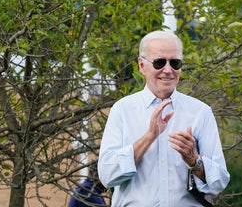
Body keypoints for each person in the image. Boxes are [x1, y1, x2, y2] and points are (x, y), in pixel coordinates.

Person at [98, 30, 230, 206]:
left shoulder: (200, 112)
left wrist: (194, 161)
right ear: (142, 65)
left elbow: (220, 181)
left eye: (175, 63)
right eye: (160, 62)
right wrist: (149, 137)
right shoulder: (122, 110)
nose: (168, 70)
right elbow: (107, 176)